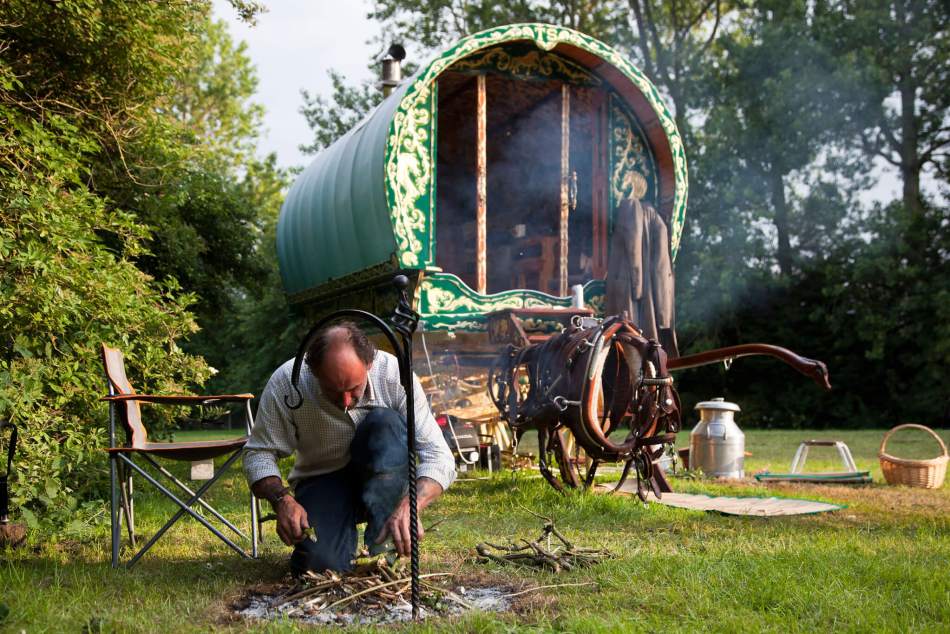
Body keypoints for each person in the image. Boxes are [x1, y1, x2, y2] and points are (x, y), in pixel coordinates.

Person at [243, 322, 456, 574]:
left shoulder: (395, 376)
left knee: (385, 424)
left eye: (353, 388)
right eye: (333, 391)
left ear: (369, 364)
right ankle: (331, 547)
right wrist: (282, 501)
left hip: (384, 477)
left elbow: (439, 457)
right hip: (323, 481)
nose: (346, 402)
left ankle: (382, 551)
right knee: (321, 568)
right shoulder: (288, 382)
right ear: (313, 372)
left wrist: (411, 506)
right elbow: (258, 454)